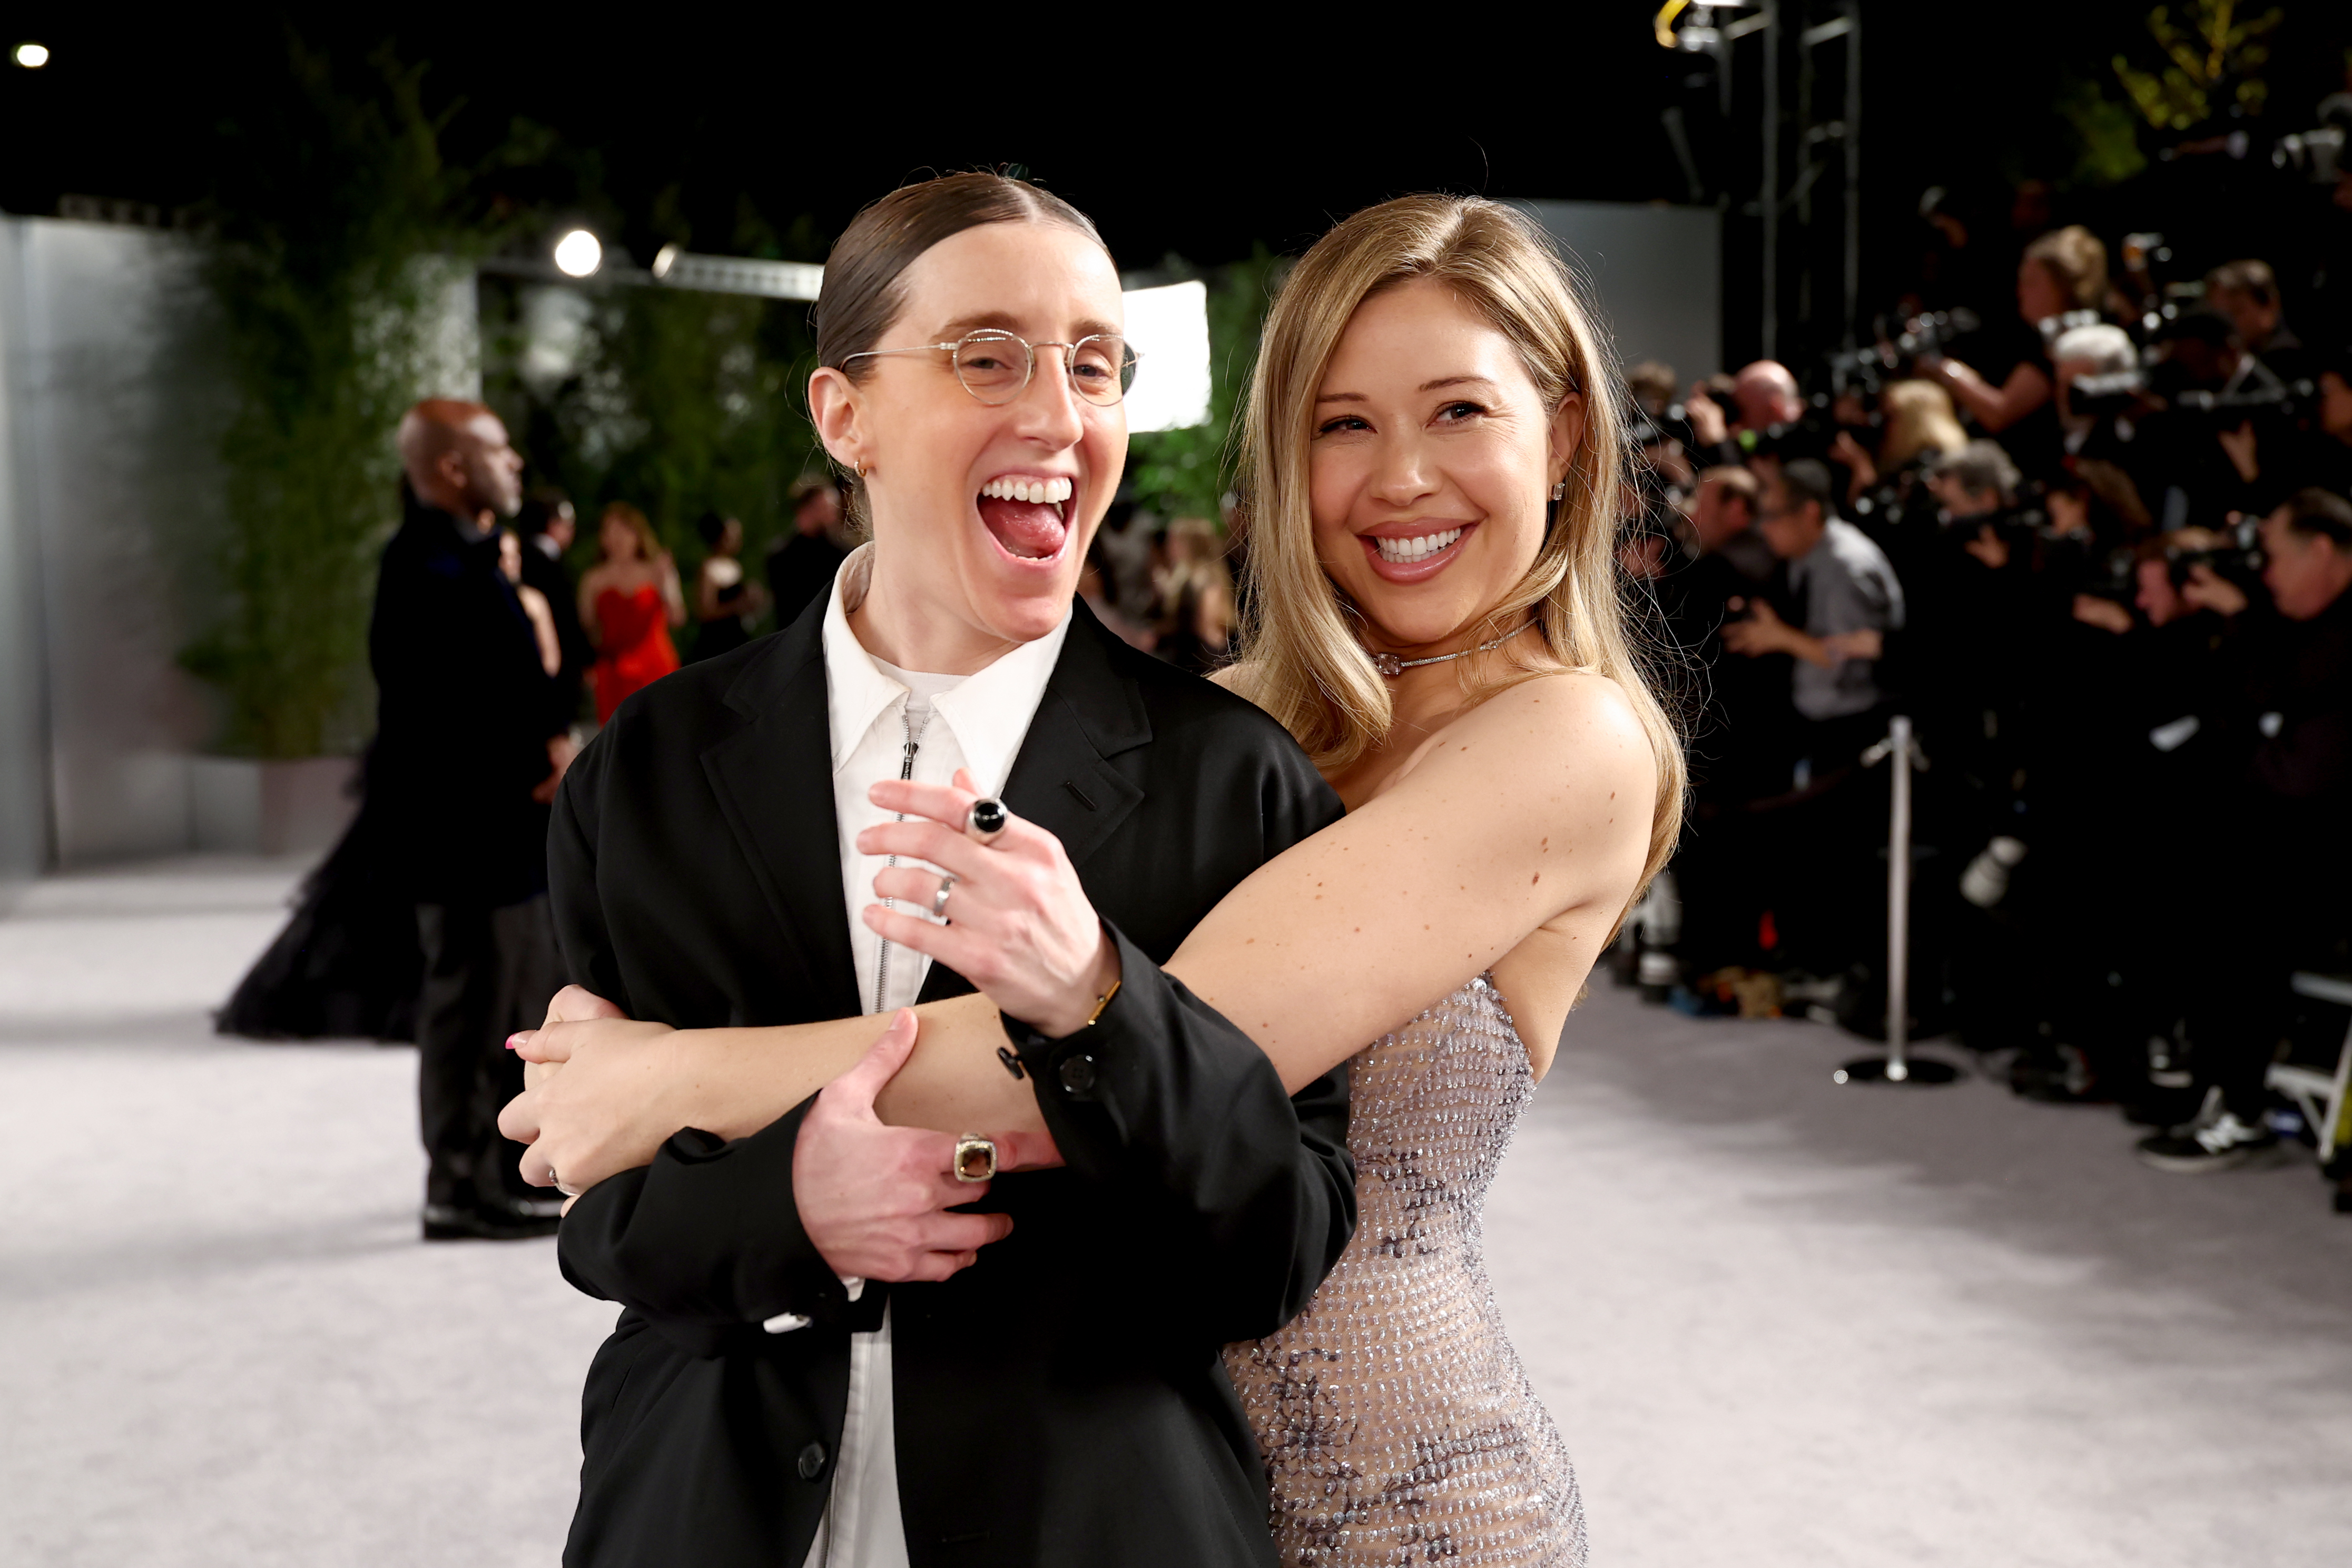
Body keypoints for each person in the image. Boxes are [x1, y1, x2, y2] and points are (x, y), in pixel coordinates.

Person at [508, 193, 1678, 1566]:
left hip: (1400, 1499)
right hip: (1155, 1485)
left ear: (1566, 435)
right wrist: (758, 1189)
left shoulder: (1568, 742)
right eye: (1341, 424)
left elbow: (1118, 1061)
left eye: (1460, 412)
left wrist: (666, 1084)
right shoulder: (1231, 732)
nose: (1401, 477)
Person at [374, 399, 575, 1240]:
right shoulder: (423, 566)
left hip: (503, 834)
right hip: (466, 837)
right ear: (453, 467)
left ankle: (496, 1174)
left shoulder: (465, 556)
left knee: (510, 1006)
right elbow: (439, 713)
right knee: (470, 1012)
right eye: (497, 449)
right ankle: (456, 1189)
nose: (514, 461)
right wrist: (534, 762)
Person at [2140, 489, 2352, 1177]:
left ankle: (2241, 1106)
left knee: (2240, 915)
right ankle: (2207, 1085)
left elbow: (2282, 698)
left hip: (2326, 855)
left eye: (2274, 559)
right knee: (2187, 879)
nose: (2265, 575)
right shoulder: (2293, 625)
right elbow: (2244, 703)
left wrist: (2243, 617)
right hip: (2284, 836)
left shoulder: (2334, 632)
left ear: (2323, 550)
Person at [1921, 224, 2107, 481]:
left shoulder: (2063, 347)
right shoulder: (2031, 338)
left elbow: (1999, 413)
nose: (2020, 291)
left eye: (2032, 283)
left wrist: (1944, 371)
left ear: (2061, 289)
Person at [578, 501, 684, 723]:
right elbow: (587, 628)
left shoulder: (657, 571)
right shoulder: (593, 579)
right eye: (609, 531)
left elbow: (678, 617)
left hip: (655, 666)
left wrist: (666, 584)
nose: (616, 538)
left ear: (637, 535)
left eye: (623, 530)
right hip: (613, 671)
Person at [516, 489, 592, 729]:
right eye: (568, 525)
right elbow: (567, 619)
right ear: (553, 524)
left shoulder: (516, 557)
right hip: (556, 670)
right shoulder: (551, 565)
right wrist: (587, 659)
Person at [765, 473, 854, 628]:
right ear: (808, 509)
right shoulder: (781, 558)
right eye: (827, 509)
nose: (834, 515)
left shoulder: (842, 554)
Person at [1151, 514, 1234, 673]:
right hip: (1190, 656)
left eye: (1175, 541)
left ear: (1190, 544)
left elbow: (1206, 627)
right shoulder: (1184, 576)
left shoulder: (1204, 578)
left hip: (1201, 659)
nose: (1169, 546)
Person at [688, 510, 768, 662]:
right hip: (716, 640)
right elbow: (704, 611)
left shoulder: (735, 567)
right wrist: (735, 606)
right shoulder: (709, 568)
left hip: (737, 638)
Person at [500, 529, 564, 678]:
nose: (511, 563)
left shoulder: (535, 601)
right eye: (504, 557)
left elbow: (550, 654)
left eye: (515, 556)